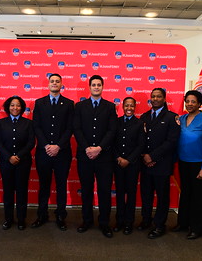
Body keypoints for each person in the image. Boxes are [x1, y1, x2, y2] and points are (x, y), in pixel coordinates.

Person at [73, 75, 117, 238]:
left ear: (103, 87)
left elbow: (112, 130)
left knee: (105, 191)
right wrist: (87, 148)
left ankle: (104, 223)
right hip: (85, 156)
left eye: (99, 85)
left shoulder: (110, 107)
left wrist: (99, 148)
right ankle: (87, 220)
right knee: (86, 190)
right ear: (89, 87)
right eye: (94, 85)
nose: (96, 87)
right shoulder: (79, 106)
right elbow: (77, 129)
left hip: (104, 157)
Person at [31, 73, 74, 231]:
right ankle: (41, 215)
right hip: (43, 152)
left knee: (61, 185)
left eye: (57, 81)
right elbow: (36, 126)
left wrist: (58, 146)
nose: (55, 83)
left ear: (61, 84)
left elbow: (70, 128)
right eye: (52, 81)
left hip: (62, 153)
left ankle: (61, 216)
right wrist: (47, 145)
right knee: (44, 185)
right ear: (48, 84)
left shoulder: (69, 104)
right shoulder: (39, 103)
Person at [173, 90, 202, 239]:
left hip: (199, 164)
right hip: (183, 162)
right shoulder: (181, 118)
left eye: (193, 101)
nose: (190, 104)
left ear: (199, 103)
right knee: (185, 193)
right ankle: (183, 223)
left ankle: (197, 228)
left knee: (198, 196)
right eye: (187, 101)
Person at [138, 87, 180, 239]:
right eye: (153, 96)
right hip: (145, 164)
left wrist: (152, 157)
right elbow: (140, 140)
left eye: (158, 96)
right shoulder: (144, 117)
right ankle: (146, 220)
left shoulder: (172, 117)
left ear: (164, 98)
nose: (155, 99)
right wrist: (144, 156)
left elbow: (171, 142)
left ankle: (159, 225)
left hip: (161, 164)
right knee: (146, 195)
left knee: (162, 197)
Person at [0, 96, 35, 231]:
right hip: (6, 162)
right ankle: (8, 219)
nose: (15, 108)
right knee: (8, 191)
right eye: (12, 105)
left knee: (22, 191)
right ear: (8, 107)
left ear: (22, 108)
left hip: (23, 162)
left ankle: (21, 219)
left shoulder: (28, 123)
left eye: (18, 105)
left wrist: (18, 156)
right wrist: (9, 157)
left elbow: (31, 143)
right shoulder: (1, 123)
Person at [113, 97, 145, 235]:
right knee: (119, 193)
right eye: (127, 105)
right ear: (123, 106)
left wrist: (129, 160)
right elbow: (112, 142)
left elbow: (141, 145)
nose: (129, 108)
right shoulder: (116, 122)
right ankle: (119, 220)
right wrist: (118, 158)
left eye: (132, 106)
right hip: (118, 163)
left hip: (132, 165)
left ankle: (128, 222)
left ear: (135, 107)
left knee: (131, 194)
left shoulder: (139, 123)